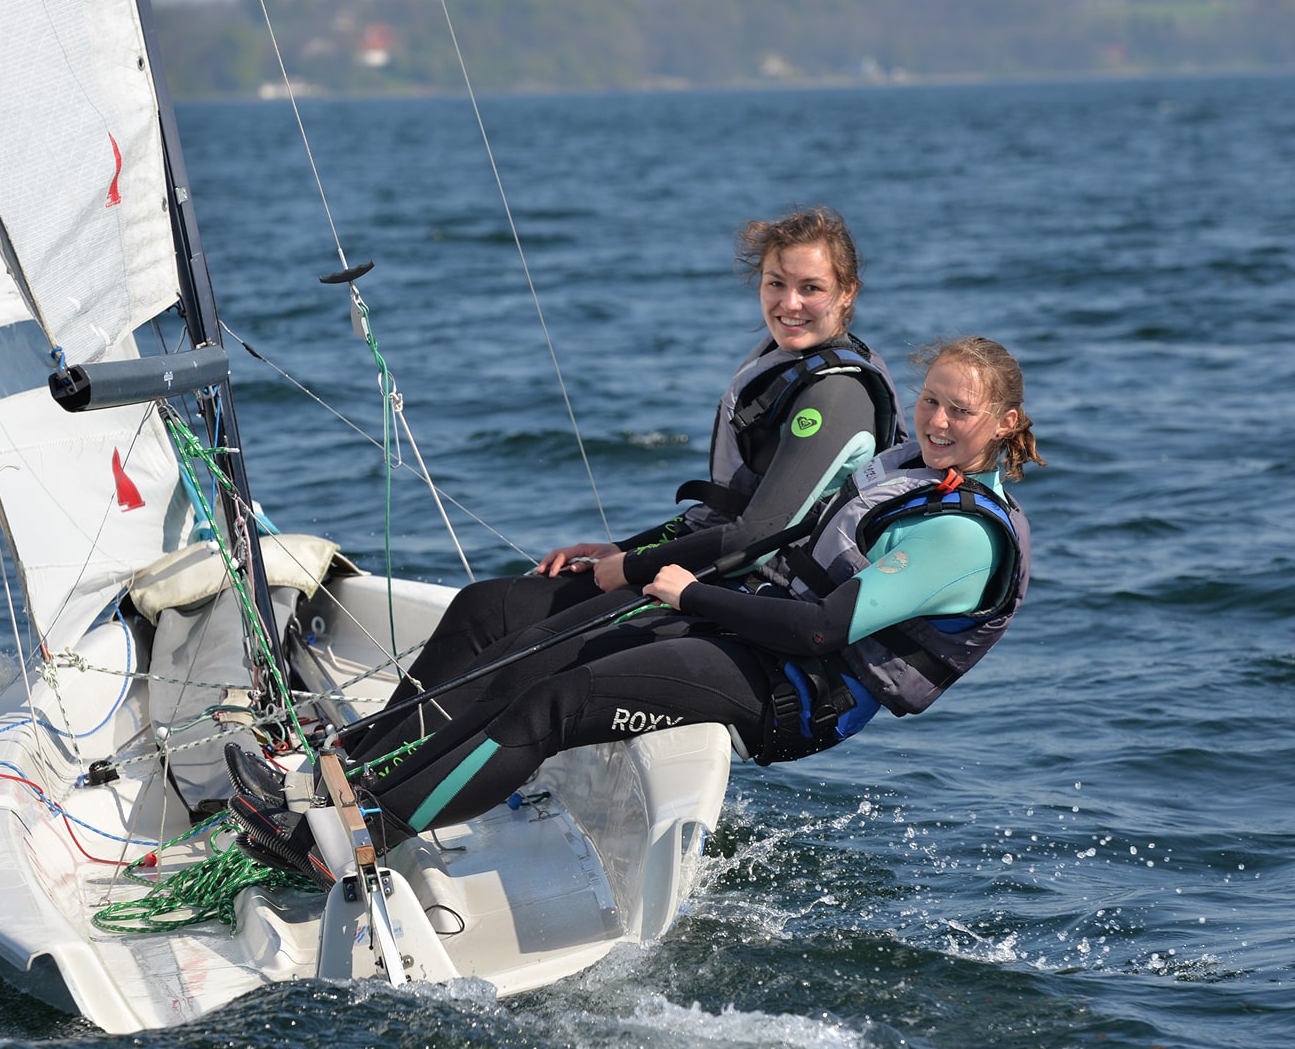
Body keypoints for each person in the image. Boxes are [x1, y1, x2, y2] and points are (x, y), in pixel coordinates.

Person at [231, 337, 1042, 874]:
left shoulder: (964, 538)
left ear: (1003, 425)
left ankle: (357, 843)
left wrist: (693, 592)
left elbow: (823, 627)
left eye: (959, 412)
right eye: (931, 401)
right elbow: (774, 538)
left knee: (557, 701)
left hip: (796, 691)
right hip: (754, 630)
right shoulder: (910, 468)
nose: (935, 421)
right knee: (537, 649)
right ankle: (342, 787)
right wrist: (654, 562)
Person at [343, 205, 905, 762]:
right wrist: (623, 550)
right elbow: (725, 515)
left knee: (525, 655)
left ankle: (374, 786)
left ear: (847, 292)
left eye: (811, 288)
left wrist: (632, 570)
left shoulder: (836, 393)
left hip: (743, 603)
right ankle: (356, 754)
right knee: (487, 607)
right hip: (709, 571)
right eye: (775, 283)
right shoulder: (782, 360)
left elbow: (756, 534)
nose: (789, 303)